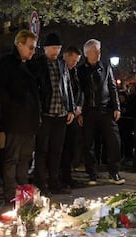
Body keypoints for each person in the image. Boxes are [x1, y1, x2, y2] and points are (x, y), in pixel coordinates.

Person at [0, 30, 40, 203]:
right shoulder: (7, 63)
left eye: (34, 48)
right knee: (12, 158)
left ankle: (23, 191)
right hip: (14, 119)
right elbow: (0, 91)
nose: (33, 51)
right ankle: (11, 194)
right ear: (19, 44)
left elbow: (35, 93)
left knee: (25, 158)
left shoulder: (29, 64)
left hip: (28, 120)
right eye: (30, 47)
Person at [77, 39, 125, 185]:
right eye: (95, 51)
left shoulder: (105, 66)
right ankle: (92, 173)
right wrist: (80, 112)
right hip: (88, 110)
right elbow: (79, 91)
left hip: (105, 109)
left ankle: (114, 171)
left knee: (114, 140)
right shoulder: (81, 70)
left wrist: (116, 107)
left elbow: (112, 87)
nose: (99, 53)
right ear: (87, 53)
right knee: (88, 143)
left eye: (99, 51)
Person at [32, 33, 75, 194]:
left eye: (58, 48)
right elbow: (36, 90)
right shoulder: (38, 64)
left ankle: (54, 183)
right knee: (42, 151)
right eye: (52, 48)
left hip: (61, 114)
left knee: (57, 151)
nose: (55, 51)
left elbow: (68, 87)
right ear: (45, 49)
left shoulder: (62, 65)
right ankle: (41, 184)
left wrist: (70, 108)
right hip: (46, 113)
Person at [60, 46, 84, 188]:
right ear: (66, 56)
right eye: (73, 60)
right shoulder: (60, 69)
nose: (74, 63)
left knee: (70, 146)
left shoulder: (75, 72)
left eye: (77, 61)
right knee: (61, 148)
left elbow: (80, 91)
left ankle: (67, 176)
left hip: (74, 113)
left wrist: (78, 107)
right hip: (63, 113)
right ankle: (60, 176)